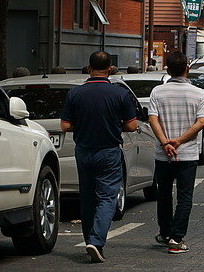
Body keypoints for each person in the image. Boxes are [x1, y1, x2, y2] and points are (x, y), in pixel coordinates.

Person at [60, 51, 138, 263]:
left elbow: (65, 125)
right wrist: (114, 125)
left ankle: (89, 239)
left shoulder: (75, 94)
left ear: (88, 68)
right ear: (110, 68)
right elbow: (132, 125)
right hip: (109, 151)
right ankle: (96, 240)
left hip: (83, 150)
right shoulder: (119, 94)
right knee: (106, 198)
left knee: (87, 197)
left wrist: (83, 125)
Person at [148, 51, 204, 255]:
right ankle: (177, 238)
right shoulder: (198, 93)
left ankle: (165, 233)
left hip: (163, 154)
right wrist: (180, 141)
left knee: (164, 194)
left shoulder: (157, 92)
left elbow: (153, 119)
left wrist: (166, 143)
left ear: (167, 69)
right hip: (188, 154)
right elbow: (201, 122)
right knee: (184, 196)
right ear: (187, 69)